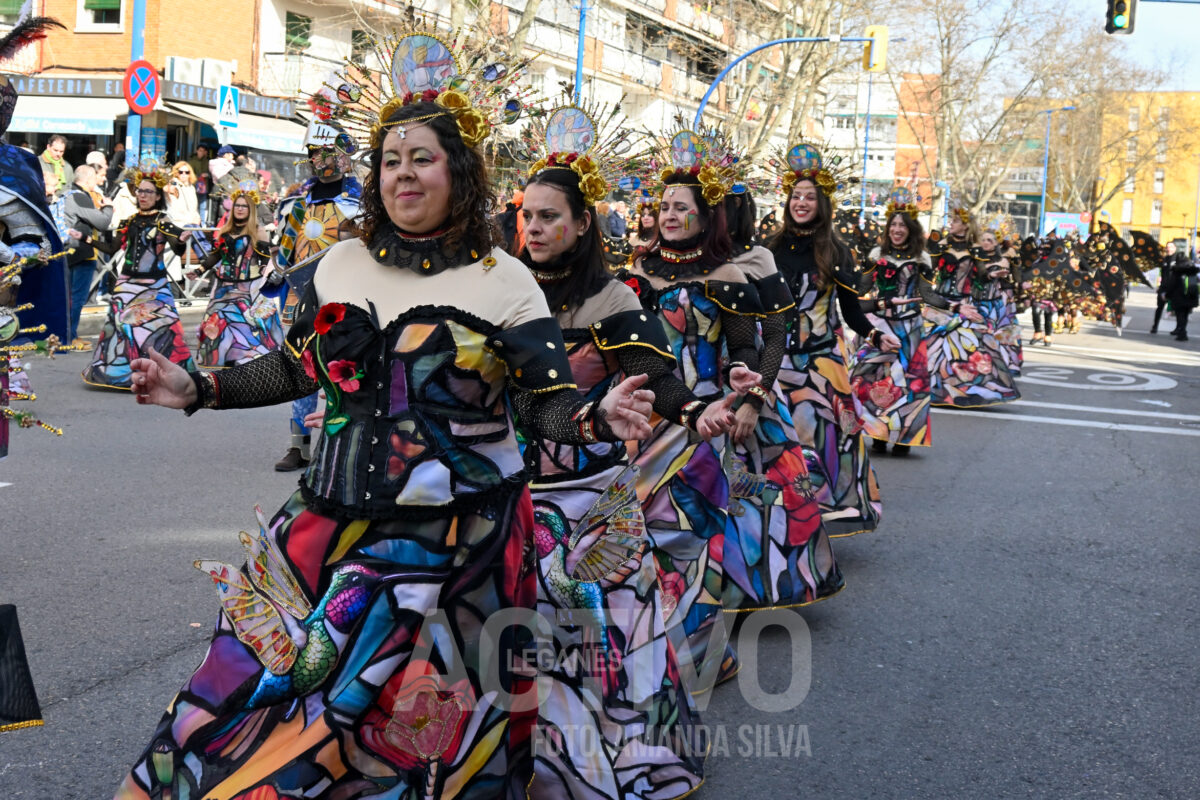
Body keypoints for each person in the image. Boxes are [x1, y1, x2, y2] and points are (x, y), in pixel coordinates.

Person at [114, 44, 656, 797]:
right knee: (253, 694)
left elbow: (541, 404)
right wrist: (199, 387)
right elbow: (297, 369)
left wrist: (595, 417)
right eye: (390, 160)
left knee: (419, 736)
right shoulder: (339, 265)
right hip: (328, 521)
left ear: (459, 172)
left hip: (461, 544)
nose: (403, 173)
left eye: (422, 159)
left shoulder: (505, 281)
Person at [516, 114, 726, 799]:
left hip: (589, 503)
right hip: (508, 492)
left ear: (582, 224)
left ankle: (618, 760)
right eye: (526, 216)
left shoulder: (613, 299)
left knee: (606, 636)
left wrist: (694, 411)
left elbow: (656, 377)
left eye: (550, 217)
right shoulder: (500, 290)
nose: (534, 228)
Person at [622, 146, 764, 685]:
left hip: (701, 420)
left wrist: (744, 378)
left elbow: (744, 346)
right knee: (635, 532)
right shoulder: (635, 270)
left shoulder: (727, 274)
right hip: (641, 415)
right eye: (664, 206)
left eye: (682, 207)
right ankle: (642, 649)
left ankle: (701, 655)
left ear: (706, 217)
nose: (669, 215)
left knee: (689, 532)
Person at [723, 185, 844, 609]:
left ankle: (759, 582)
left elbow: (776, 333)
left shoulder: (759, 259)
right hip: (689, 399)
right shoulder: (664, 263)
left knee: (763, 491)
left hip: (765, 378)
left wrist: (756, 398)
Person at [767, 145, 890, 534]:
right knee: (776, 438)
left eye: (809, 197)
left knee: (826, 436)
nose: (801, 203)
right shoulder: (768, 249)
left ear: (822, 204)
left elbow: (850, 311)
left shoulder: (836, 251)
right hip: (774, 361)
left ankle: (821, 510)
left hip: (821, 362)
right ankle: (777, 512)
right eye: (796, 196)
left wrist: (875, 334)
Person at [270, 121, 363, 471]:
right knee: (300, 367)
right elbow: (284, 253)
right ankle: (299, 446)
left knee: (345, 371)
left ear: (343, 156)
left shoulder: (360, 203)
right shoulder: (296, 203)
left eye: (327, 153)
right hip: (299, 297)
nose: (320, 160)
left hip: (345, 297)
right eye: (314, 153)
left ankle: (341, 444)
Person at [82, 166, 196, 389]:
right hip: (127, 283)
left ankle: (164, 374)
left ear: (157, 196)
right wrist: (87, 240)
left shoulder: (163, 221)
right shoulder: (129, 221)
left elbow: (176, 247)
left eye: (148, 192)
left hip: (155, 284)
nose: (142, 195)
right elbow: (112, 248)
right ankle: (118, 373)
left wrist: (182, 240)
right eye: (140, 191)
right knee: (119, 329)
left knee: (162, 328)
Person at [851, 206, 933, 452]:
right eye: (893, 225)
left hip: (910, 328)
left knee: (908, 381)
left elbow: (928, 294)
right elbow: (862, 288)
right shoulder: (877, 254)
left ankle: (903, 437)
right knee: (873, 379)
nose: (897, 230)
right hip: (879, 325)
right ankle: (878, 432)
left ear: (911, 230)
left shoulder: (922, 258)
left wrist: (955, 306)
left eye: (902, 225)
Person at [924, 208, 1017, 407]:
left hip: (964, 303)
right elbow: (928, 269)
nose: (951, 223)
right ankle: (930, 389)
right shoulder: (943, 245)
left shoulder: (975, 249)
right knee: (932, 345)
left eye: (956, 221)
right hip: (941, 302)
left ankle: (965, 390)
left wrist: (991, 276)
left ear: (965, 225)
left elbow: (981, 275)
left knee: (973, 346)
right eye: (952, 220)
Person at [194, 187, 283, 367]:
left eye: (244, 206)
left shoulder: (257, 230)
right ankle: (227, 361)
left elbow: (267, 255)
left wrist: (266, 270)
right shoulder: (226, 231)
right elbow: (216, 255)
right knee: (218, 324)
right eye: (237, 206)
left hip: (250, 287)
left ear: (251, 210)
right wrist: (199, 270)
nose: (240, 209)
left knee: (251, 326)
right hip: (224, 287)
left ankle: (251, 362)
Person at [61, 164, 113, 345]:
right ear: (89, 179)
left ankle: (65, 334)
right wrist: (108, 207)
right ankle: (70, 336)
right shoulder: (79, 196)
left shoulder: (65, 193)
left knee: (68, 297)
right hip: (82, 252)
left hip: (67, 251)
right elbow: (102, 222)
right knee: (77, 297)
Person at [1163, 251, 1198, 341]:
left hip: (1179, 297)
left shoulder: (1177, 270)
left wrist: (1167, 295)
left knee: (1180, 315)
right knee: (1185, 316)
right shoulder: (1192, 269)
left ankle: (1182, 333)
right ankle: (1182, 330)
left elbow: (1172, 284)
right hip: (1190, 296)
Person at [1152, 242, 1184, 334]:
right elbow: (1162, 274)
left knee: (1177, 309)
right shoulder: (1164, 259)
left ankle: (1178, 328)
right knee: (1159, 308)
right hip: (1164, 287)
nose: (1169, 249)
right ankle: (1155, 326)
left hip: (1175, 288)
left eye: (1171, 247)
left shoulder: (1178, 258)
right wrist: (1159, 286)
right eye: (1167, 247)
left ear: (1175, 248)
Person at [164, 160, 201, 227]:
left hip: (192, 223)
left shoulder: (191, 188)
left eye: (187, 172)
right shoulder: (174, 183)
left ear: (190, 174)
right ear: (177, 173)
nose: (184, 174)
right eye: (181, 172)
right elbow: (167, 187)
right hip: (177, 223)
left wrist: (197, 218)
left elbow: (194, 208)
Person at [38, 134, 73, 200]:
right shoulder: (37, 163)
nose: (58, 154)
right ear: (48, 147)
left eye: (61, 151)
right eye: (55, 150)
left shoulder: (67, 167)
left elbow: (70, 188)